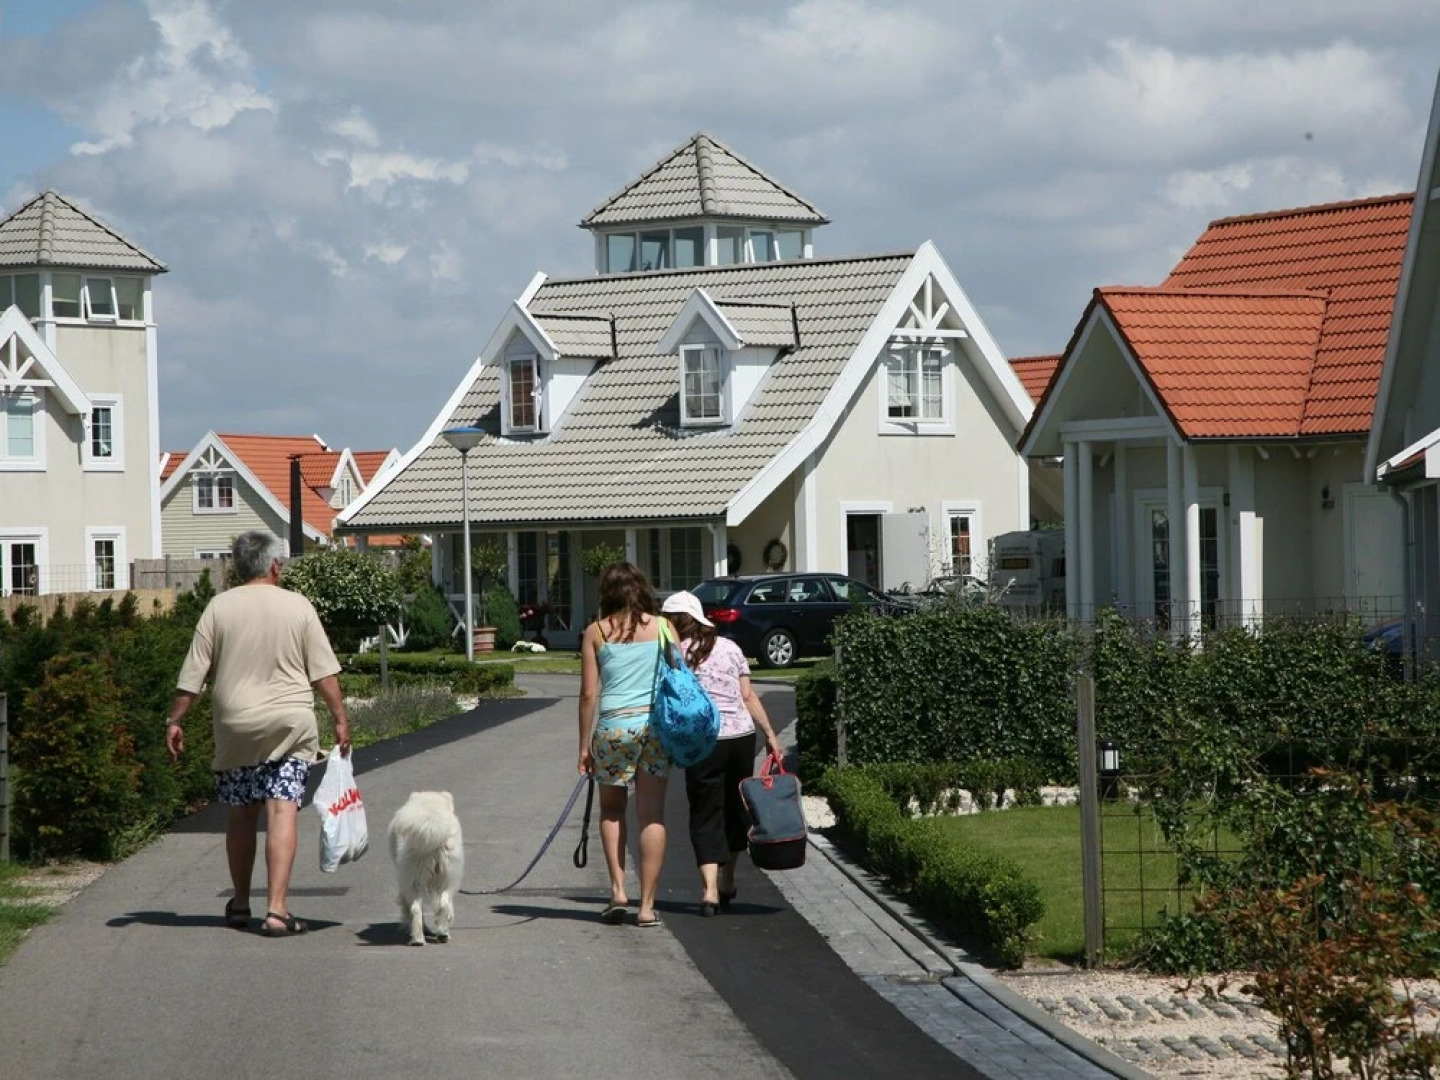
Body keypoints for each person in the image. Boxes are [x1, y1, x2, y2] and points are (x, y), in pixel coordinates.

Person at [166, 530, 351, 937]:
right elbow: (324, 672)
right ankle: (277, 909)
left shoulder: (218, 607)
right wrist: (340, 718)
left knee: (241, 812)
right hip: (289, 721)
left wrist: (175, 720)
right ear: (273, 565)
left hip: (237, 724)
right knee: (282, 807)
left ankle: (241, 903)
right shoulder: (298, 606)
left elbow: (192, 674)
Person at [661, 590, 784, 916]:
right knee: (734, 807)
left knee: (704, 810)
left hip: (704, 740)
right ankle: (729, 879)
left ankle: (710, 890)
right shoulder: (731, 648)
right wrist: (769, 733)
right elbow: (747, 696)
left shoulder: (675, 654)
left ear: (674, 622)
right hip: (741, 737)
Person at [578, 562, 671, 928]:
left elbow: (588, 694)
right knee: (651, 815)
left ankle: (618, 889)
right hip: (653, 730)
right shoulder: (663, 628)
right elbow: (681, 676)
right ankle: (647, 907)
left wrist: (583, 747)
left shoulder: (596, 632)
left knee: (612, 811)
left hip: (613, 730)